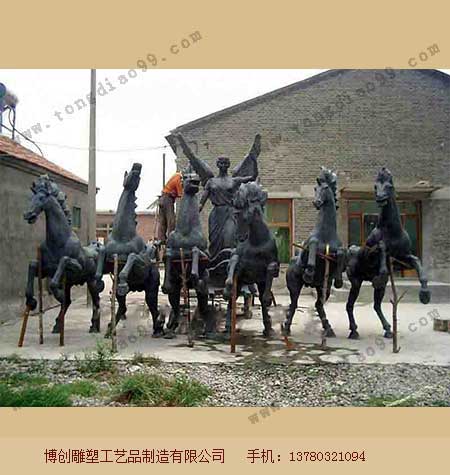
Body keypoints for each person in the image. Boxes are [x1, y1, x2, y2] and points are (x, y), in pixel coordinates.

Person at [157, 171, 183, 243]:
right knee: (171, 220)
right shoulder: (178, 178)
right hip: (167, 199)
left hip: (162, 198)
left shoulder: (175, 176)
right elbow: (181, 195)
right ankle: (171, 239)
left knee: (162, 221)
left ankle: (161, 239)